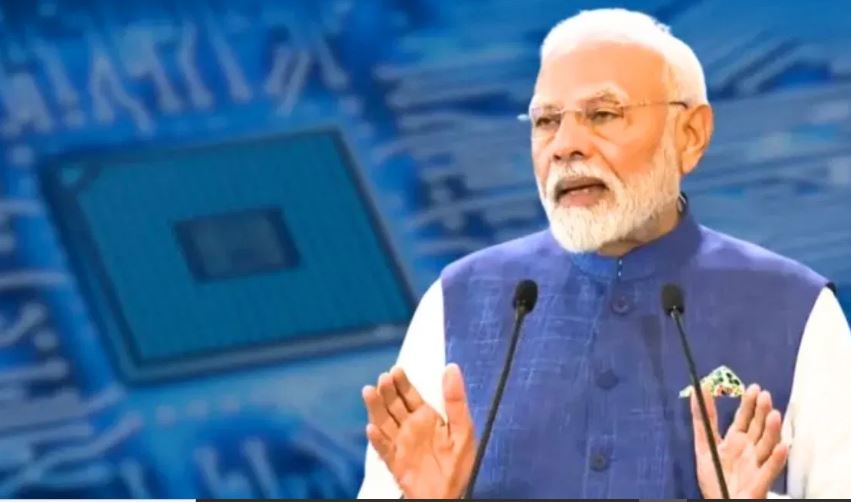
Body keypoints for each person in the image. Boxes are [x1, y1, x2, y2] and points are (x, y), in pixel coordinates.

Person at [357, 8, 851, 499]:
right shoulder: (458, 301)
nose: (565, 145)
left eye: (603, 115)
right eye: (546, 121)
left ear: (690, 135)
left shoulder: (796, 311)